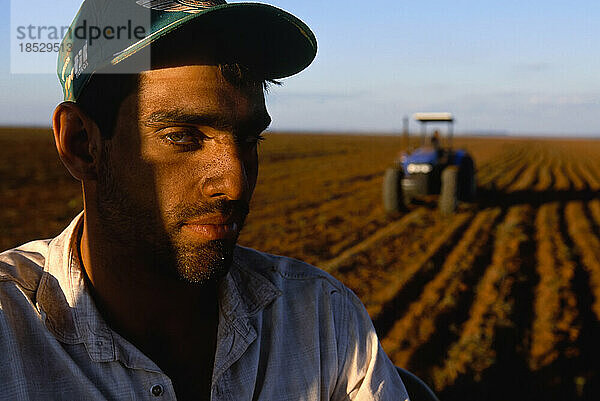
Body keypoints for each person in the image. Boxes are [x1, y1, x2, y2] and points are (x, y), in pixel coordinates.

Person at [0, 1, 409, 399]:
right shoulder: (9, 331)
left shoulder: (323, 322)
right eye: (182, 136)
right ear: (81, 144)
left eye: (250, 141)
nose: (235, 184)